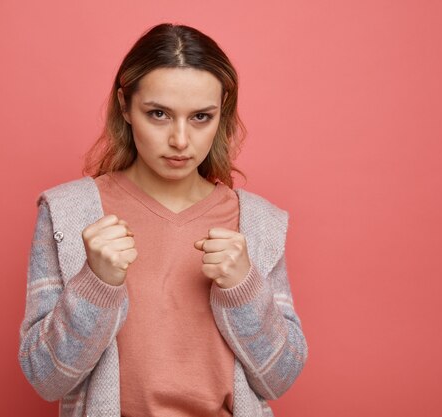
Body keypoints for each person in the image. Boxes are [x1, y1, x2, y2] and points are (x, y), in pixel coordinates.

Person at [18, 23, 308, 417]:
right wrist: (95, 284)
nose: (180, 140)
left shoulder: (258, 223)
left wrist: (244, 287)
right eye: (158, 114)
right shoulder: (68, 213)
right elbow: (45, 377)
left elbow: (280, 379)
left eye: (201, 117)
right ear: (125, 106)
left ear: (222, 113)